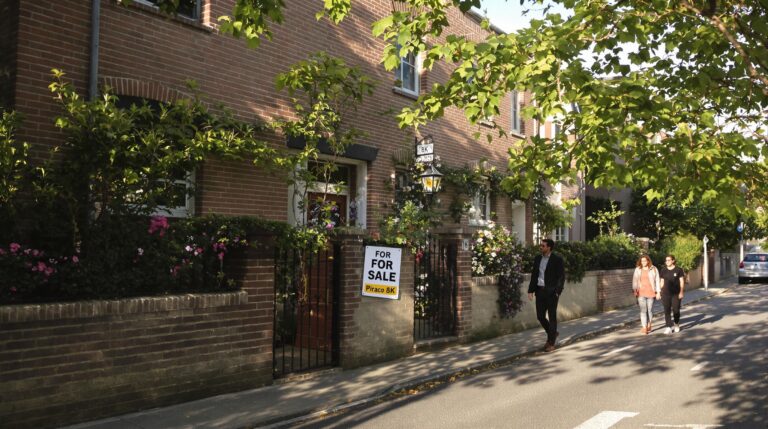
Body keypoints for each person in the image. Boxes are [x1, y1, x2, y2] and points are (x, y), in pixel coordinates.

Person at [528, 238, 565, 352]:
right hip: (540, 291)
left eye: (543, 246)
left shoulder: (557, 259)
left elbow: (561, 277)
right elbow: (534, 275)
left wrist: (557, 292)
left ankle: (551, 343)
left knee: (552, 317)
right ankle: (552, 333)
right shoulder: (538, 258)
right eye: (541, 245)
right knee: (540, 316)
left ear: (549, 247)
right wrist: (530, 291)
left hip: (552, 292)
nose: (541, 247)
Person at [632, 254, 660, 335]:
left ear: (648, 261)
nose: (643, 262)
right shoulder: (638, 269)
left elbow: (657, 281)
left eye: (645, 261)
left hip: (651, 293)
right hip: (641, 293)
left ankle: (649, 324)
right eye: (642, 261)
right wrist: (634, 289)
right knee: (643, 310)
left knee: (649, 310)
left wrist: (658, 292)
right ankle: (644, 327)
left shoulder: (653, 269)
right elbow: (635, 280)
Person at [659, 254, 685, 334]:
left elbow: (681, 281)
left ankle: (676, 324)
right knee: (666, 310)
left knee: (676, 310)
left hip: (676, 294)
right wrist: (659, 291)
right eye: (666, 260)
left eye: (669, 260)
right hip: (665, 294)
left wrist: (681, 292)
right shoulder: (663, 270)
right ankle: (668, 327)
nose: (667, 262)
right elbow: (662, 282)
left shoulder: (679, 270)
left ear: (673, 261)